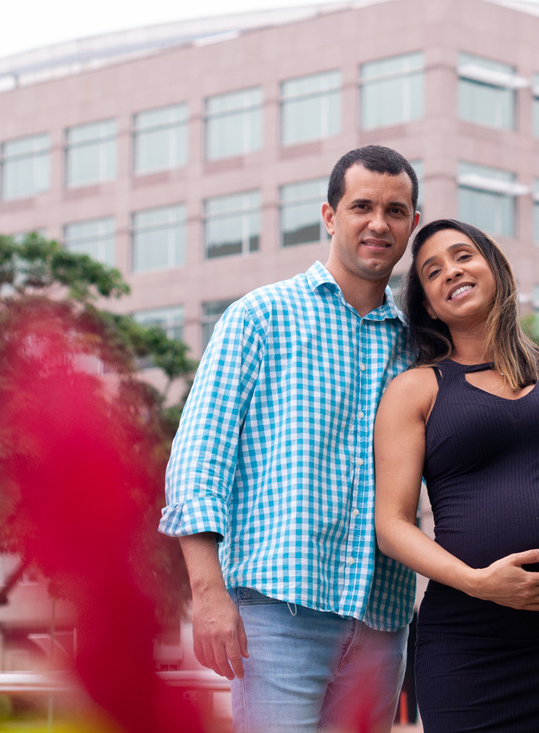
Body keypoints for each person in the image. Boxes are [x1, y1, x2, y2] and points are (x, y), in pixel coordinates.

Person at [159, 145, 421, 733]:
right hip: (277, 614)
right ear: (330, 216)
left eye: (396, 211)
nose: (378, 224)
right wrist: (207, 595)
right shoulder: (259, 317)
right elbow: (198, 464)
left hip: (382, 620)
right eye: (362, 207)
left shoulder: (417, 348)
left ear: (412, 224)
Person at [374, 219, 539, 733]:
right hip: (469, 639)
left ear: (494, 267)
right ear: (428, 303)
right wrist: (479, 583)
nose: (452, 271)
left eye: (463, 256)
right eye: (433, 271)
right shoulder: (416, 390)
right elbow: (393, 524)